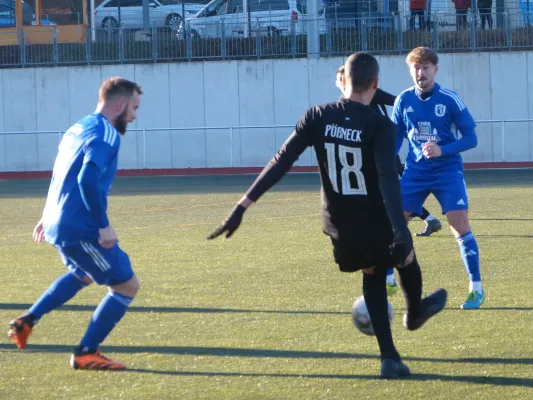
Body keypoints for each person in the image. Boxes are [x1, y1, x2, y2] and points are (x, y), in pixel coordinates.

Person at [209, 52, 448, 379]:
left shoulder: (317, 116)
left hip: (338, 224)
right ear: (376, 84)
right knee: (404, 260)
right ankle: (414, 312)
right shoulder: (380, 124)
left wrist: (242, 206)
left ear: (344, 80)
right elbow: (388, 178)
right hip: (374, 217)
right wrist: (400, 229)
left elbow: (281, 160)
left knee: (373, 273)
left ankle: (390, 357)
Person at [8, 77, 143, 370]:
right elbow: (85, 178)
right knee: (127, 285)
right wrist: (102, 225)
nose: (134, 115)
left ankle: (27, 320)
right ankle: (86, 351)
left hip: (59, 220)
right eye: (133, 107)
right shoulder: (107, 134)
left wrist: (47, 214)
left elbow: (60, 172)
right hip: (81, 226)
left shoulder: (78, 127)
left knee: (83, 273)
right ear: (119, 104)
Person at [336, 65, 442, 297]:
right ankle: (427, 222)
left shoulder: (371, 92)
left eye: (343, 78)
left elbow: (400, 102)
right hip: (367, 157)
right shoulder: (344, 106)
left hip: (384, 152)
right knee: (384, 206)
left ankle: (391, 274)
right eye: (339, 80)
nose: (341, 83)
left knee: (390, 204)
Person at [392, 47, 484, 309]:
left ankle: (475, 289)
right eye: (415, 68)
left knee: (459, 226)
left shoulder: (450, 99)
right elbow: (397, 135)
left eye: (425, 67)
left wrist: (443, 149)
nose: (420, 73)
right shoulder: (403, 100)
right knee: (394, 225)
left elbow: (471, 138)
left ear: (435, 69)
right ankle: (387, 281)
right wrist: (387, 159)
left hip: (447, 171)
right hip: (415, 172)